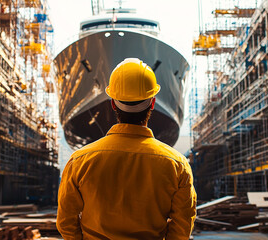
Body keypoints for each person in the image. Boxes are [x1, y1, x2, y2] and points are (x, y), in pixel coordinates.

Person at [57, 58, 197, 239]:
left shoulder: (79, 161)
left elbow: (65, 221)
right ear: (152, 103)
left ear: (113, 104)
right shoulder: (177, 165)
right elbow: (183, 226)